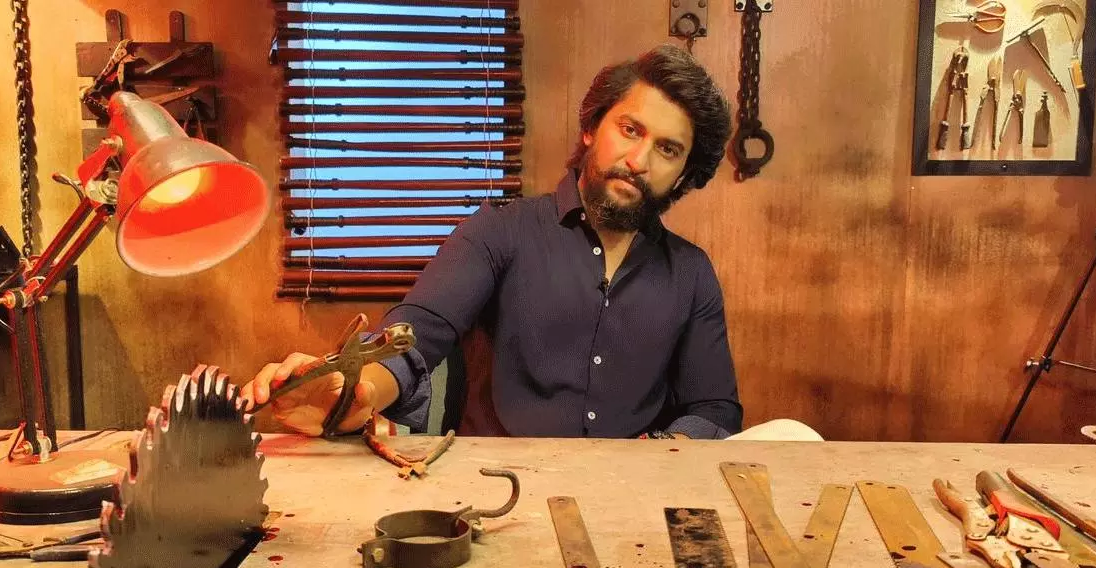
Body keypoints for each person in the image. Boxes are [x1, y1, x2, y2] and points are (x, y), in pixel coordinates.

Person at [243, 45, 748, 441]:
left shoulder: (691, 273)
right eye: (630, 129)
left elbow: (714, 409)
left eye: (668, 149)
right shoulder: (499, 230)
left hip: (630, 497)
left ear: (685, 175)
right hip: (496, 492)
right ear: (592, 128)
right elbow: (417, 334)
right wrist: (355, 391)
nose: (639, 161)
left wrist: (658, 453)